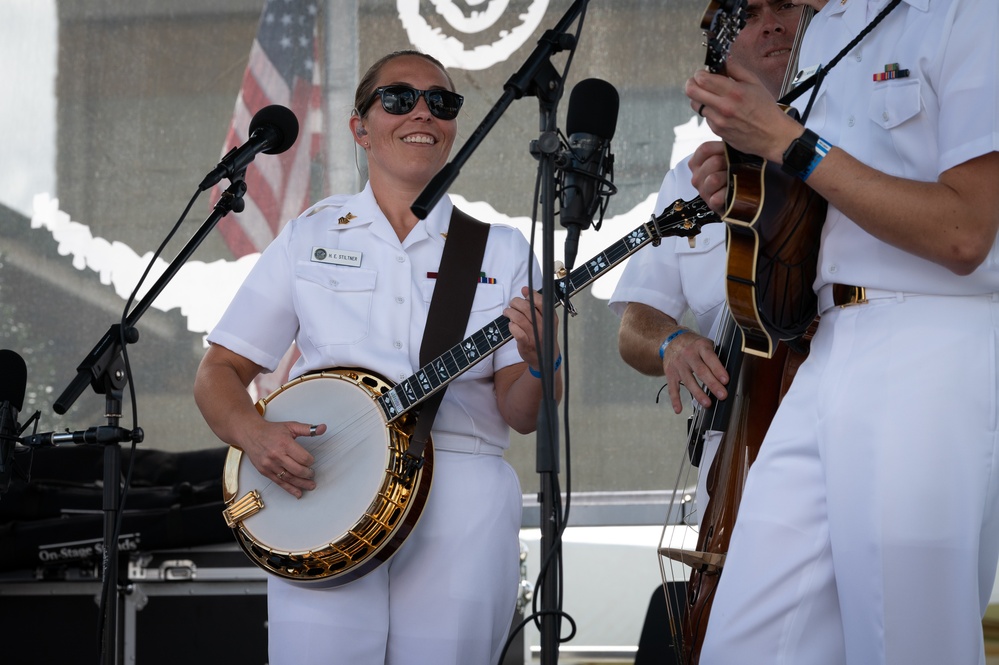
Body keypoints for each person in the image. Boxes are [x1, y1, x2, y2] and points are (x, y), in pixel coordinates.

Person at [194, 50, 562, 665]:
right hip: (322, 489)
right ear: (360, 126)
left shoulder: (499, 249)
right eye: (399, 98)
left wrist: (541, 361)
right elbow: (219, 372)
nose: (423, 112)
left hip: (460, 500)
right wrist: (254, 436)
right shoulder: (310, 235)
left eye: (442, 102)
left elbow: (520, 413)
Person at [683, 1, 999, 663]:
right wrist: (753, 182)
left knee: (908, 642)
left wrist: (787, 143)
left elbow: (963, 231)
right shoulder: (823, 27)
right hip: (825, 344)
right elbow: (831, 190)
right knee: (745, 640)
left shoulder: (969, 14)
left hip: (929, 338)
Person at [610, 0, 806, 520]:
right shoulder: (688, 179)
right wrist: (673, 342)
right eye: (748, 14)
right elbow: (635, 326)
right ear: (722, 60)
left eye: (786, 5)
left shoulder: (857, 152)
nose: (770, 23)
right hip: (730, 440)